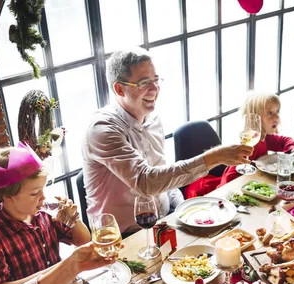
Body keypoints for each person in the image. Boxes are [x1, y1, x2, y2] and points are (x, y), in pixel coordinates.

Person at [82, 47, 253, 235]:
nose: (154, 89)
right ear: (119, 89)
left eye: (155, 79)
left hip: (163, 221)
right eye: (144, 82)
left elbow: (162, 175)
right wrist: (214, 157)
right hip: (122, 237)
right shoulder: (102, 129)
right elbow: (146, 182)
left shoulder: (154, 120)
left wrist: (184, 210)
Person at [0, 143, 91, 284]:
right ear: (8, 197)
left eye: (43, 189)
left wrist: (74, 220)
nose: (43, 197)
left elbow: (84, 242)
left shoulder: (45, 214)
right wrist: (52, 274)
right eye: (35, 193)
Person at [214, 92, 294, 189]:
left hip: (257, 182)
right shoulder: (250, 144)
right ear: (255, 119)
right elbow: (230, 178)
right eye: (269, 113)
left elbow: (284, 140)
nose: (276, 118)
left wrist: (292, 149)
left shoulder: (265, 138)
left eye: (277, 111)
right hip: (237, 187)